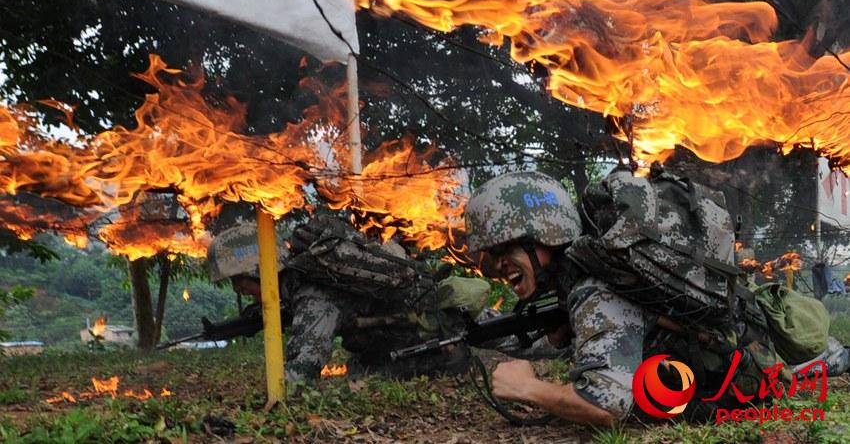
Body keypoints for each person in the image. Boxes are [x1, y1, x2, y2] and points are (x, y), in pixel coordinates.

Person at [465, 169, 849, 426]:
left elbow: (606, 405)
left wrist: (527, 388)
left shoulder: (594, 287)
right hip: (739, 339)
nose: (499, 266)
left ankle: (825, 358)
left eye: (506, 250)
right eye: (492, 257)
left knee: (809, 366)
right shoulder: (598, 269)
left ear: (543, 235)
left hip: (741, 373)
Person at [207, 214, 488, 383]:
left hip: (431, 342)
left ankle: (452, 363)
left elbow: (302, 369)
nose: (239, 290)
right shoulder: (302, 285)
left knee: (361, 374)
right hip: (410, 335)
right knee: (358, 367)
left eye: (239, 281)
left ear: (258, 270)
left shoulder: (312, 295)